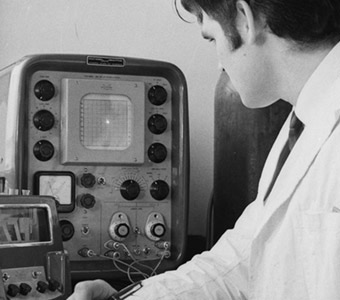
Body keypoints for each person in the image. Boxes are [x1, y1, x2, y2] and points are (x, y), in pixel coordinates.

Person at [68, 0, 340, 299]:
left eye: (211, 38)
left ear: (243, 19)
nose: (220, 64)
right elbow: (239, 263)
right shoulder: (302, 123)